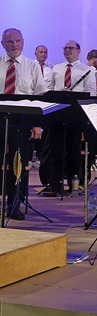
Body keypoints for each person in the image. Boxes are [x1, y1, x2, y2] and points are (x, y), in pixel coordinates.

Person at [0, 28, 47, 220]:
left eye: (18, 41)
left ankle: (15, 203)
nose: (14, 45)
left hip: (22, 121)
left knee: (18, 163)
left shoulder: (31, 66)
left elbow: (39, 96)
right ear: (3, 44)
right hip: (0, 117)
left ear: (23, 43)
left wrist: (37, 124)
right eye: (10, 42)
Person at [40, 40, 96, 194]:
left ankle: (73, 182)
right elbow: (47, 88)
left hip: (75, 114)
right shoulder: (56, 68)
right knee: (55, 148)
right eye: (65, 48)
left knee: (73, 148)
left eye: (71, 48)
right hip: (57, 113)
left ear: (78, 51)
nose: (68, 51)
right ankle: (55, 183)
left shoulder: (88, 70)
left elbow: (91, 92)